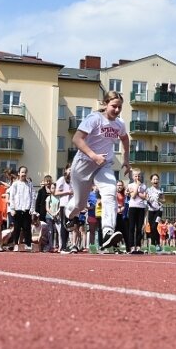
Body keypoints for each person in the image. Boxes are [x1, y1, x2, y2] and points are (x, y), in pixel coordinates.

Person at [64, 91, 130, 251]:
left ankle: (108, 232)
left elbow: (125, 139)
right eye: (114, 106)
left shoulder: (119, 124)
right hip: (83, 164)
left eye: (119, 107)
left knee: (110, 191)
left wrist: (127, 160)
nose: (116, 110)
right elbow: (76, 139)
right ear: (105, 104)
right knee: (80, 204)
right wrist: (93, 155)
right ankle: (69, 216)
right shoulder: (94, 119)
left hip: (103, 165)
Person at [7, 166, 35, 252]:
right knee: (17, 228)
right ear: (19, 173)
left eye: (25, 172)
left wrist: (32, 208)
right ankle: (15, 244)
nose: (24, 174)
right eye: (22, 172)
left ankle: (28, 244)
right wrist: (12, 208)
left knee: (27, 228)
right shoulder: (15, 184)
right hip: (17, 209)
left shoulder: (30, 184)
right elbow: (12, 197)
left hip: (27, 209)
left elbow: (33, 197)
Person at [126, 168, 147, 253]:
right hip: (133, 207)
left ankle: (138, 246)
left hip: (141, 207)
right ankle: (131, 246)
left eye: (139, 176)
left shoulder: (144, 186)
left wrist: (137, 192)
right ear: (132, 176)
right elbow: (133, 196)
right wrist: (137, 188)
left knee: (139, 228)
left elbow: (144, 196)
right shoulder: (130, 185)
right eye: (135, 176)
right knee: (131, 227)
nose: (137, 177)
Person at [146, 173, 164, 252]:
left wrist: (159, 199)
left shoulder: (160, 190)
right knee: (152, 228)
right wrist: (148, 200)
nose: (155, 181)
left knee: (155, 226)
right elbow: (146, 199)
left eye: (157, 179)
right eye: (154, 179)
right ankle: (154, 244)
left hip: (158, 211)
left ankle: (157, 244)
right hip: (151, 211)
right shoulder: (148, 190)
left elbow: (164, 200)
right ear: (151, 181)